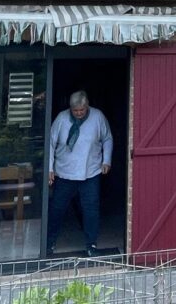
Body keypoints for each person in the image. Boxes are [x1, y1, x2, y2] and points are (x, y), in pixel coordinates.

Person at [47, 90, 113, 257]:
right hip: (64, 173)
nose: (78, 113)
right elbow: (51, 143)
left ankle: (91, 244)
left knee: (91, 210)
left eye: (81, 110)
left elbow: (107, 138)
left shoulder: (98, 117)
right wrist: (50, 169)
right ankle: (48, 242)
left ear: (87, 106)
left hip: (90, 172)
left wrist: (107, 160)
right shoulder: (62, 119)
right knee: (57, 209)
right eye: (75, 110)